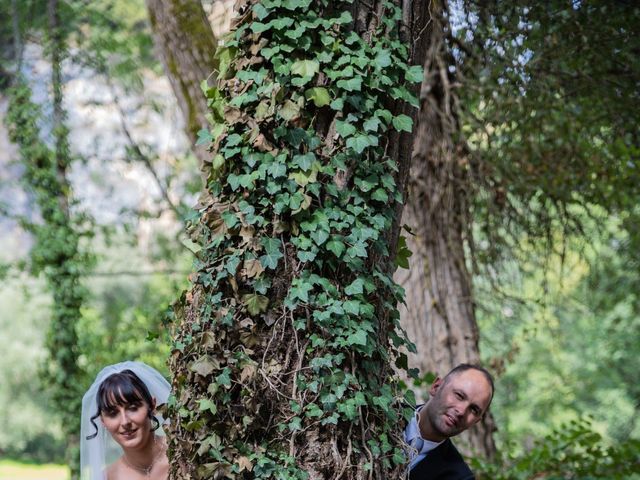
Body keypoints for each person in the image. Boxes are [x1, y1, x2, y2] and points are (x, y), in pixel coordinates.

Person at [80, 361, 171, 480]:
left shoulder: (184, 451)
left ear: (153, 406)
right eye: (113, 414)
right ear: (102, 421)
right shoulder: (107, 477)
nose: (124, 422)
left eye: (133, 408)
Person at [405, 364, 494, 480]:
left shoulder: (459, 477)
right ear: (436, 387)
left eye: (474, 409)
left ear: (476, 421)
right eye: (459, 396)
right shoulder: (381, 411)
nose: (461, 411)